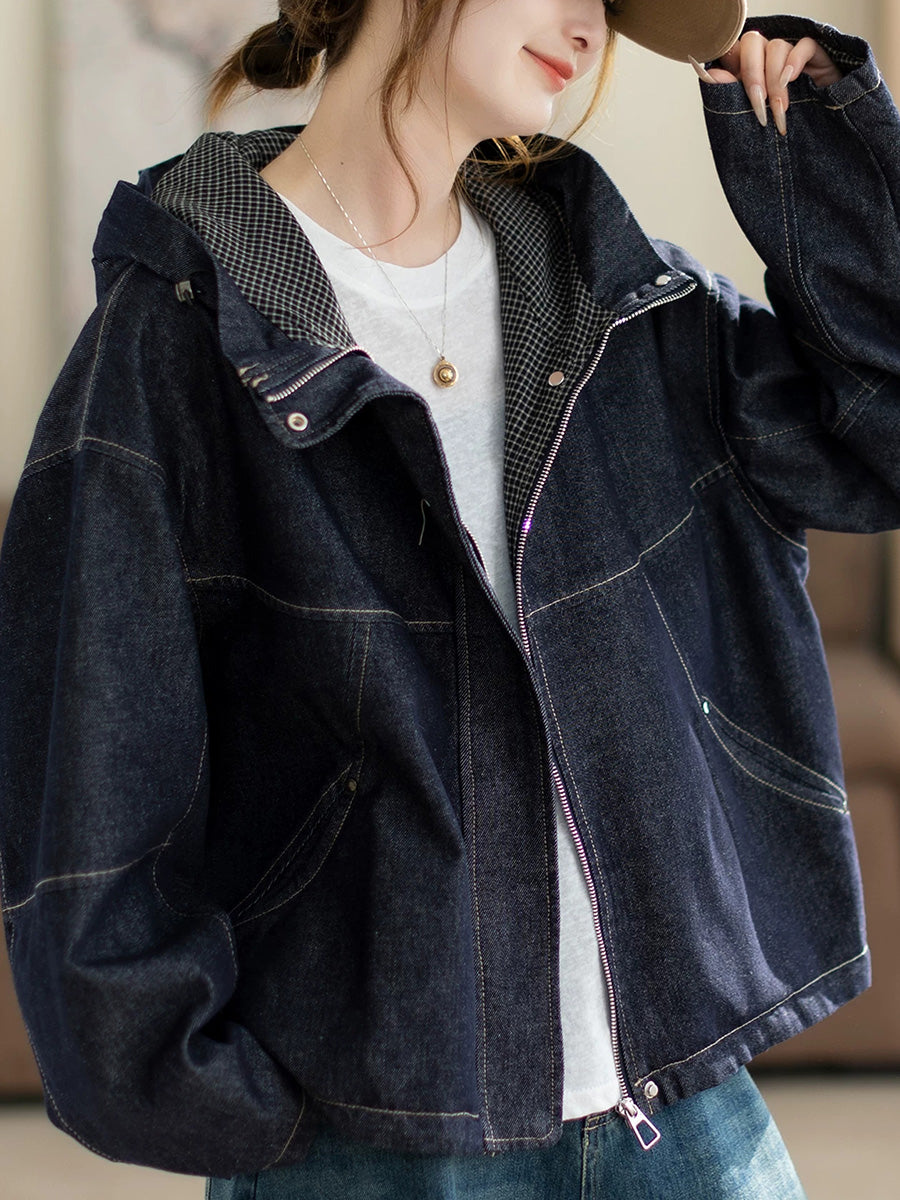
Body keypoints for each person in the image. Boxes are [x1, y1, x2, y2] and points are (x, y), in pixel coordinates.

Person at [0, 0, 898, 1195]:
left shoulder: (624, 299)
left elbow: (876, 440)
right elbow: (93, 755)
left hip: (679, 1116)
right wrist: (226, 1107)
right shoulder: (183, 331)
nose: (589, 26)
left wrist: (817, 147)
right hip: (375, 1129)